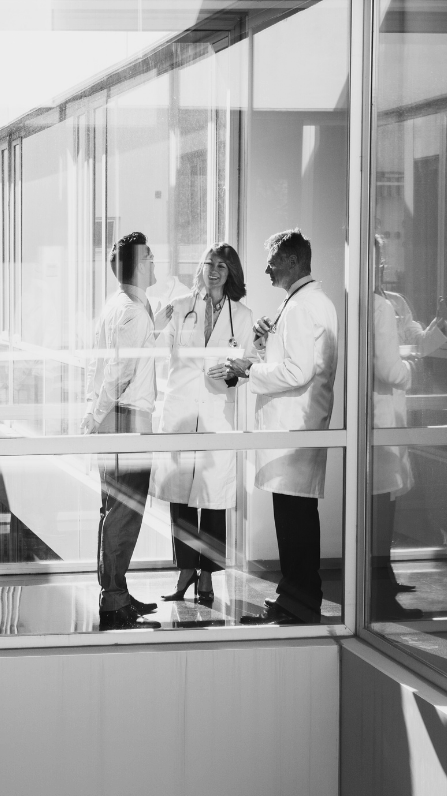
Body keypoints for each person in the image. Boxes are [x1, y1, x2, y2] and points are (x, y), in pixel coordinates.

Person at [230, 229, 338, 625]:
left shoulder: (302, 306)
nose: (267, 270)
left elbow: (296, 371)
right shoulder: (307, 301)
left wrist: (250, 370)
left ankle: (299, 603)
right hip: (299, 427)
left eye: (272, 262)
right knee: (296, 519)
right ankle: (296, 599)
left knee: (295, 523)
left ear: (291, 261)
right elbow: (293, 361)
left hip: (294, 428)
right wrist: (263, 343)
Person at [149, 243, 254, 607]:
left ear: (231, 273)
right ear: (201, 268)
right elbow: (157, 349)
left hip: (215, 414)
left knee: (212, 498)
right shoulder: (180, 307)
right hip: (180, 411)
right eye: (209, 263)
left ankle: (206, 574)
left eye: (222, 266)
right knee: (180, 498)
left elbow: (250, 363)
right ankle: (185, 571)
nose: (214, 271)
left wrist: (233, 373)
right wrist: (155, 323)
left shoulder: (242, 315)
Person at [81, 231, 161, 630]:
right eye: (149, 257)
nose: (154, 262)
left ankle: (116, 592)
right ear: (139, 266)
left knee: (113, 510)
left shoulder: (119, 307)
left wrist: (94, 415)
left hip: (115, 416)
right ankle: (113, 601)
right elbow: (119, 373)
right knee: (124, 511)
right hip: (126, 417)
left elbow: (102, 367)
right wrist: (95, 417)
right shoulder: (133, 312)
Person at [369, 236, 423, 620]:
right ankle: (381, 593)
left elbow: (413, 336)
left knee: (381, 504)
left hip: (378, 417)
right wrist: (411, 371)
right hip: (380, 419)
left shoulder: (380, 303)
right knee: (381, 507)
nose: (380, 267)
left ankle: (383, 580)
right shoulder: (378, 306)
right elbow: (390, 370)